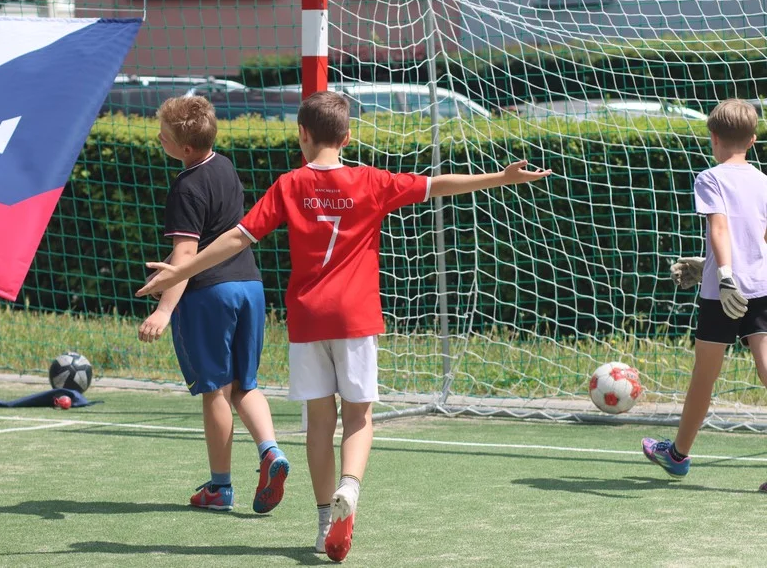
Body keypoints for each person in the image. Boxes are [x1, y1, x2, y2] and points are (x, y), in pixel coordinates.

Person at [136, 90, 551, 560]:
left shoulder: (290, 184)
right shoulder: (371, 181)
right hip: (355, 319)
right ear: (348, 138)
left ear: (302, 135)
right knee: (359, 416)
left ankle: (320, 525)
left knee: (319, 422)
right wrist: (501, 176)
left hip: (308, 320)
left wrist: (180, 271)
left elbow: (236, 237)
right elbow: (439, 184)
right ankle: (349, 489)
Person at [136, 95, 289, 514]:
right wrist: (170, 268)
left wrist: (164, 309)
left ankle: (220, 489)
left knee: (216, 391)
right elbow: (217, 236)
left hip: (210, 294)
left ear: (183, 149)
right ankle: (271, 451)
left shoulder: (185, 186)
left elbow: (187, 258)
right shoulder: (225, 166)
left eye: (163, 135)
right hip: (250, 287)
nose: (158, 138)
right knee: (247, 384)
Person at [645, 98, 767, 483]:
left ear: (713, 137)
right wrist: (709, 265)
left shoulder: (710, 177)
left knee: (704, 376)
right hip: (761, 286)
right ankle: (677, 453)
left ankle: (679, 455)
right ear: (752, 140)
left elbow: (720, 228)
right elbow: (758, 237)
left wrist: (724, 275)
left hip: (722, 294)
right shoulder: (764, 181)